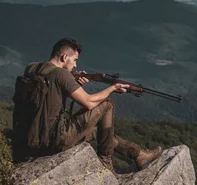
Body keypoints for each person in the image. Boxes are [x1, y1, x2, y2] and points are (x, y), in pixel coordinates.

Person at [14, 37, 162, 172]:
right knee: (107, 104)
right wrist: (112, 88)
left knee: (100, 132)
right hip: (55, 141)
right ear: (65, 57)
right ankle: (105, 162)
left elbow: (48, 97)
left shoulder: (31, 68)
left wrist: (73, 81)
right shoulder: (62, 75)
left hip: (30, 138)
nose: (75, 64)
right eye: (75, 60)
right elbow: (89, 102)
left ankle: (138, 154)